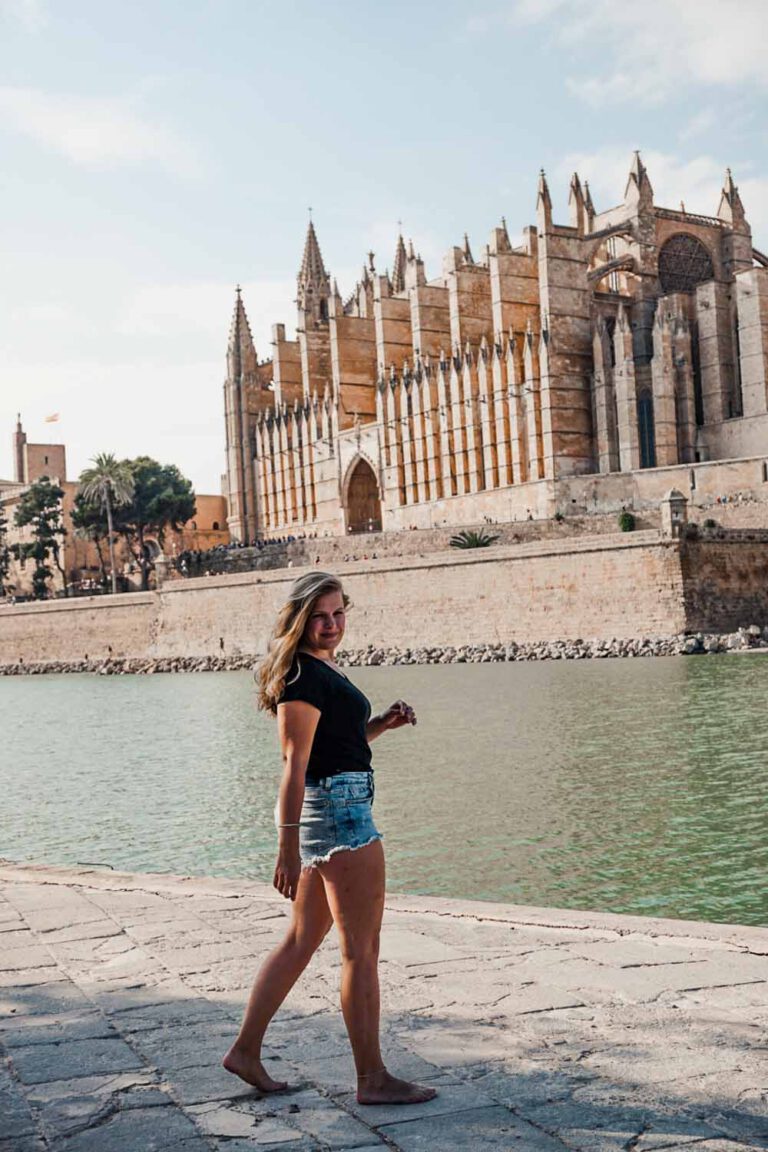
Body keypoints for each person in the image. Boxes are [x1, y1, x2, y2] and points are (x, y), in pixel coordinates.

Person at [223, 571, 437, 1106]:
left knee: (302, 941)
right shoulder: (303, 678)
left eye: (339, 613)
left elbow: (332, 746)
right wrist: (286, 850)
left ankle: (245, 1051)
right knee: (360, 952)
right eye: (320, 616)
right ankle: (372, 1079)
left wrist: (381, 725)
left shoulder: (317, 671)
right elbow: (294, 765)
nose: (332, 625)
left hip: (333, 808)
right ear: (299, 619)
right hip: (340, 817)